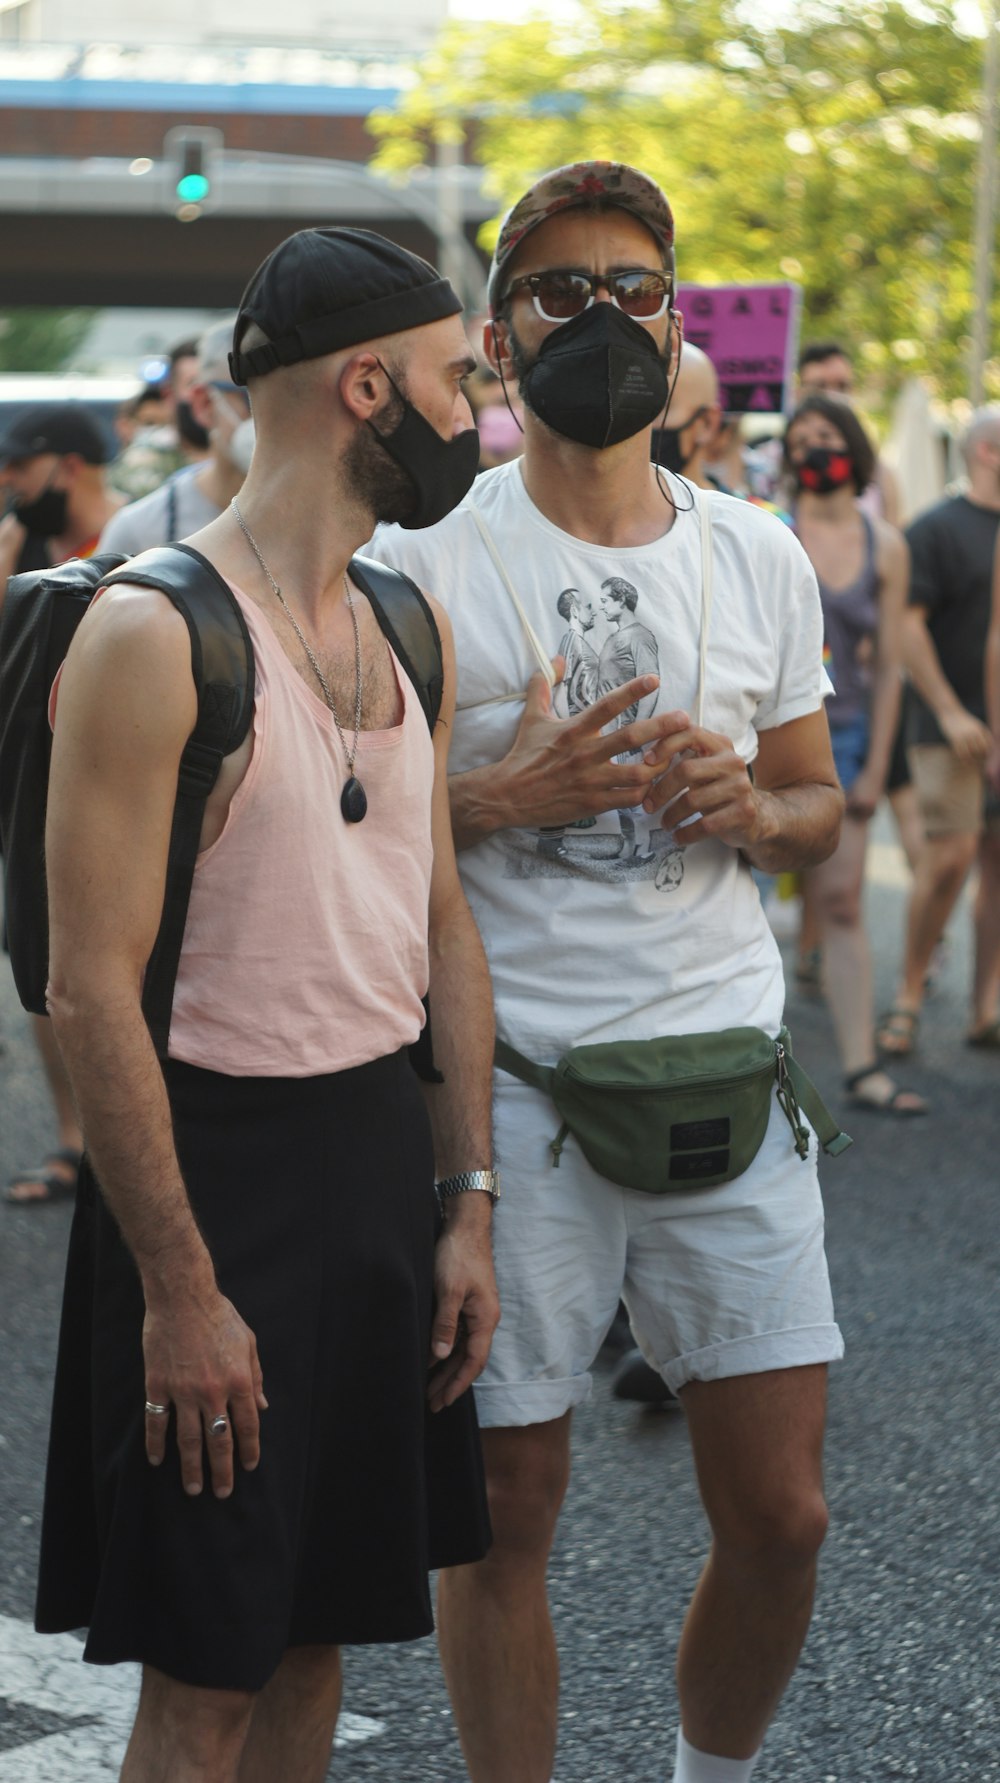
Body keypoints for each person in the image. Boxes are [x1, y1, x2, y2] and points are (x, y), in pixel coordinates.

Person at [377, 159, 846, 1783]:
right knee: (508, 1512)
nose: (601, 313)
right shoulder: (424, 562)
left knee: (784, 1511)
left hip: (725, 1082)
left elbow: (819, 808)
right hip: (513, 1100)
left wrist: (756, 805)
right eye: (559, 289)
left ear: (674, 320)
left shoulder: (761, 556)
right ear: (501, 339)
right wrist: (512, 794)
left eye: (632, 287)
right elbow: (343, 815)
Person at [33, 226, 499, 1782]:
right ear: (368, 387)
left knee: (318, 1639)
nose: (478, 410)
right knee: (207, 1674)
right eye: (457, 379)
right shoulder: (154, 632)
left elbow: (438, 926)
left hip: (375, 1164)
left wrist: (466, 1200)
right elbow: (88, 986)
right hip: (213, 1179)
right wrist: (175, 1283)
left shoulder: (408, 623)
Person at [785, 393, 925, 1113]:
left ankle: (862, 1066)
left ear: (854, 449)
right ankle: (732, 1063)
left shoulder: (888, 546)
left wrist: (874, 766)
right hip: (772, 735)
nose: (814, 448)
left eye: (827, 436)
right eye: (800, 438)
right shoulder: (771, 530)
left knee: (842, 902)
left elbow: (891, 668)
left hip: (848, 738)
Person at [0, 402, 124, 1205]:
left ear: (66, 466)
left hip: (120, 780)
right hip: (31, 785)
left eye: (18, 466)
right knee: (40, 958)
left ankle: (128, 1142)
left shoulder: (135, 537)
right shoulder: (21, 550)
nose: (8, 483)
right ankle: (78, 1142)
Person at [878, 406, 1000, 1056]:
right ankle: (909, 993)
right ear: (987, 452)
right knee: (949, 860)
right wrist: (951, 709)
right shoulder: (936, 529)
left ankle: (985, 1008)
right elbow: (907, 624)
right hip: (946, 726)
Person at [99, 319, 253, 554]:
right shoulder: (141, 528)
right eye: (249, 399)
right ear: (204, 404)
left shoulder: (319, 520)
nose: (271, 415)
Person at [108, 338, 209, 502]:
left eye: (213, 384)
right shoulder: (143, 461)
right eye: (193, 384)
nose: (204, 394)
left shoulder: (246, 453)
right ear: (169, 395)